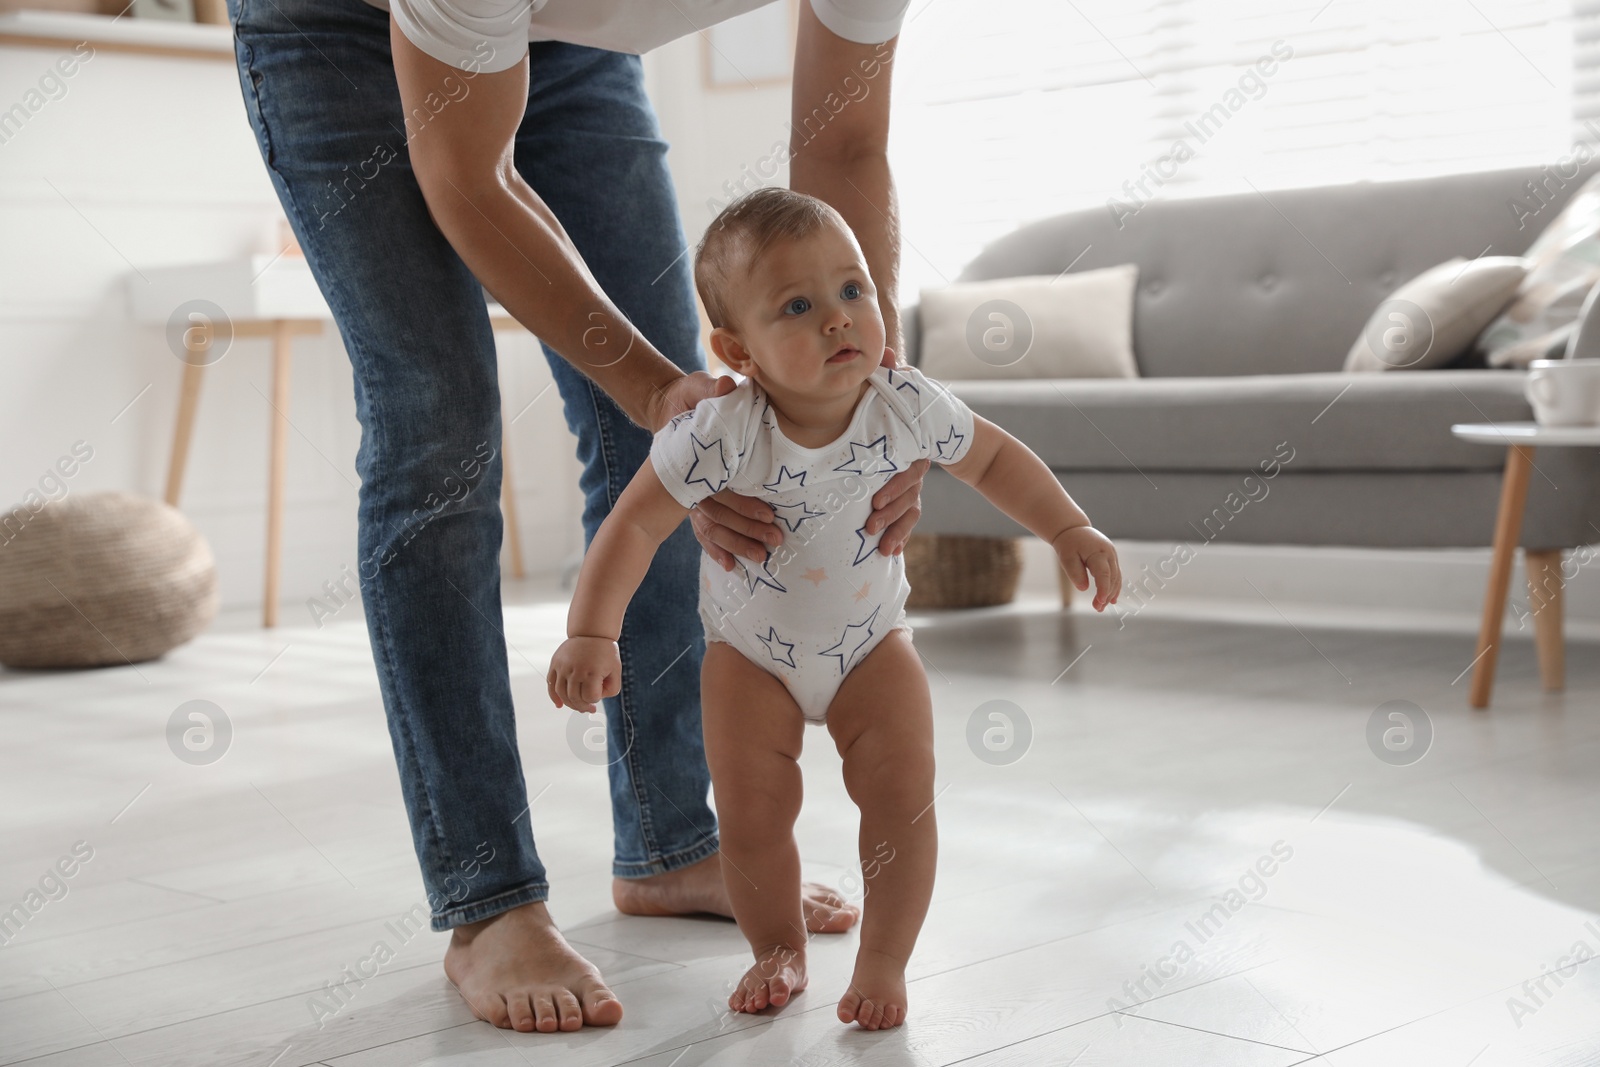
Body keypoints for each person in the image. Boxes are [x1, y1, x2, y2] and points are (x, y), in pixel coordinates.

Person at [226, 0, 930, 1036]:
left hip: (565, 47)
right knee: (437, 417)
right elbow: (468, 176)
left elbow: (845, 140)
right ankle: (488, 900)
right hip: (335, 26)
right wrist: (655, 396)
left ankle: (668, 843)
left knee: (668, 421)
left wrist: (874, 401)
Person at [546, 187, 1123, 1030]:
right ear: (737, 349)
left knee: (902, 797)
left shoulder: (905, 402)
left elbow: (994, 459)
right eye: (798, 305)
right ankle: (776, 947)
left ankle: (883, 958)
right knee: (750, 816)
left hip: (872, 647)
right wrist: (590, 629)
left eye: (853, 289)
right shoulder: (719, 429)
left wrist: (1067, 526)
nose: (839, 319)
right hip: (749, 656)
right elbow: (634, 520)